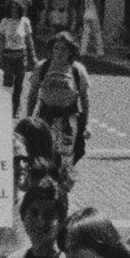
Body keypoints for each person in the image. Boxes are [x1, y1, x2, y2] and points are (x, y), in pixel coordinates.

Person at [21, 33, 93, 167]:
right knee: (42, 155)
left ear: (71, 51)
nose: (59, 53)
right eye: (56, 48)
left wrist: (87, 124)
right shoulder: (42, 67)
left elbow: (84, 98)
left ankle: (63, 182)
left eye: (64, 49)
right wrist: (29, 119)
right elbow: (32, 95)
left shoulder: (78, 70)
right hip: (45, 118)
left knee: (67, 157)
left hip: (69, 120)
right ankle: (45, 184)